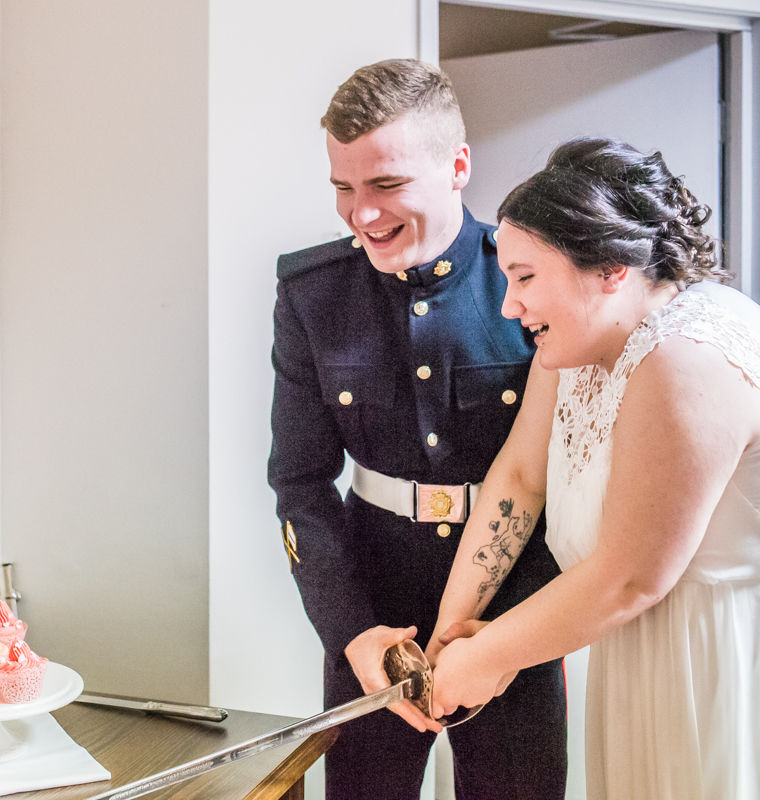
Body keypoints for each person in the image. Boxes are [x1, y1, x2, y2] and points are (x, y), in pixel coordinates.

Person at [402, 137, 759, 799]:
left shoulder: (688, 356)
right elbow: (519, 478)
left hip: (715, 667)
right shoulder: (577, 347)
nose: (510, 306)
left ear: (612, 269)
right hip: (637, 663)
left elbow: (629, 578)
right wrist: (450, 638)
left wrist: (491, 655)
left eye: (526, 277)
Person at [267, 58, 567, 800]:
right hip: (373, 608)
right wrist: (354, 630)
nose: (361, 214)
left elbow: (569, 480)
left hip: (513, 611)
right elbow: (300, 481)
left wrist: (503, 644)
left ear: (458, 165)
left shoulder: (528, 283)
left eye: (387, 185)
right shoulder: (313, 295)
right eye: (344, 187)